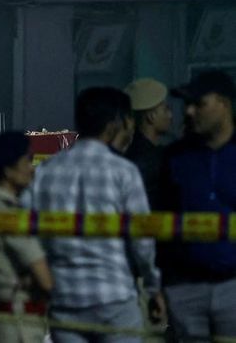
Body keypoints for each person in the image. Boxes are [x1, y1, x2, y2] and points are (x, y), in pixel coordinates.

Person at [27, 87, 165, 343]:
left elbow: (27, 231)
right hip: (114, 299)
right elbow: (142, 239)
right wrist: (153, 286)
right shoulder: (123, 171)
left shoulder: (46, 171)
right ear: (115, 124)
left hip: (64, 299)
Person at [157, 70, 236, 340]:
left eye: (199, 103)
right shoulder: (175, 157)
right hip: (184, 290)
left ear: (224, 104)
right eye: (187, 104)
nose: (189, 111)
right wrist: (163, 284)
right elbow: (161, 220)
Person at [0, 132, 52, 343]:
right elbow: (45, 279)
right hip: (17, 326)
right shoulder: (6, 213)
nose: (32, 168)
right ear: (8, 170)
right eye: (27, 161)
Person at [123, 78, 172, 209]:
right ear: (151, 116)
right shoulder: (151, 159)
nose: (170, 115)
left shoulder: (127, 150)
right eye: (166, 109)